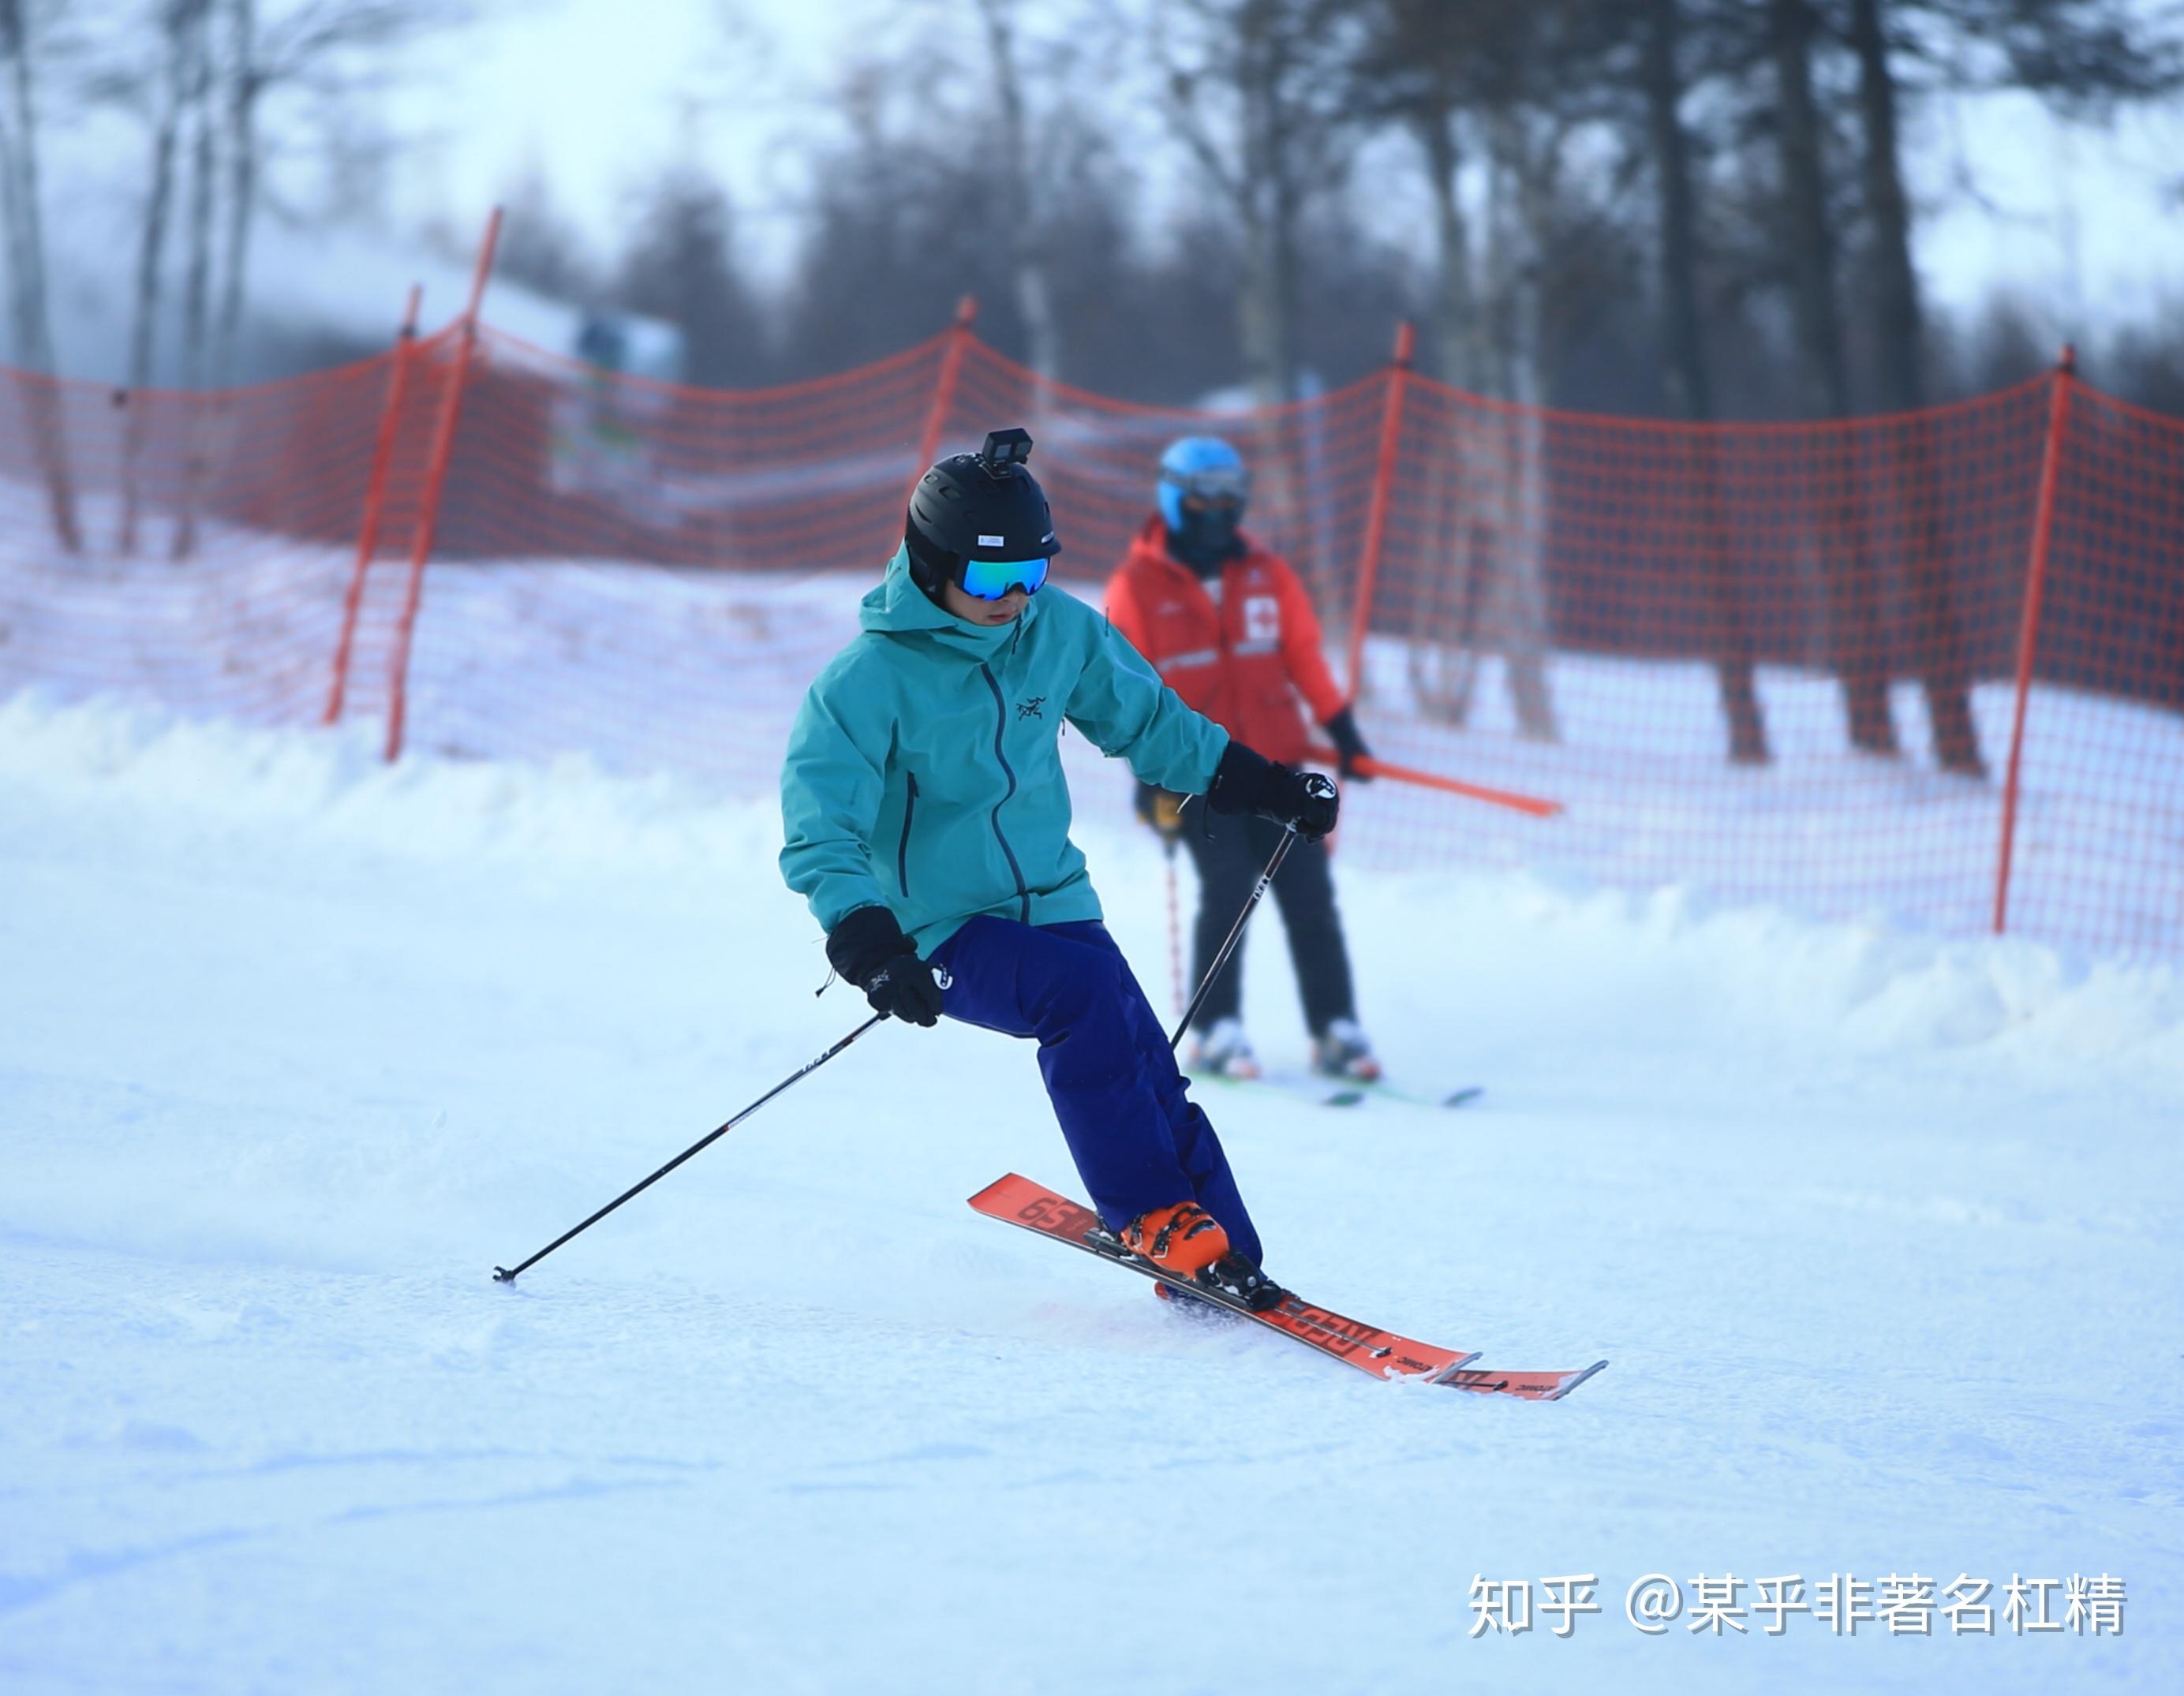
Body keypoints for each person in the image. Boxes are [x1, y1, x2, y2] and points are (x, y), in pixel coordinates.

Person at [779, 428, 1341, 1307]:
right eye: (990, 579)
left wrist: (1266, 785)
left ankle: (1219, 1250)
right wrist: (866, 941)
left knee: (1142, 1052)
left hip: (1053, 900)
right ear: (931, 568)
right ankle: (1154, 1214)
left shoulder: (1058, 633)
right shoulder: (864, 681)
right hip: (935, 926)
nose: (1013, 600)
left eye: (1029, 575)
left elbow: (1153, 724)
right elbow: (820, 826)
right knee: (1080, 1001)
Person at [1105, 435, 1380, 1084]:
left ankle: (1335, 1026)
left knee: (1310, 892)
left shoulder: (1266, 573)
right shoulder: (1137, 585)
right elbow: (1121, 690)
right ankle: (1215, 1027)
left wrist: (1343, 731)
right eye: (1206, 495)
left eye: (1232, 493)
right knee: (1228, 886)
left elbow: (1304, 656)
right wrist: (1149, 780)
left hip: (1278, 767)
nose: (1221, 508)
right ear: (1175, 496)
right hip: (1198, 777)